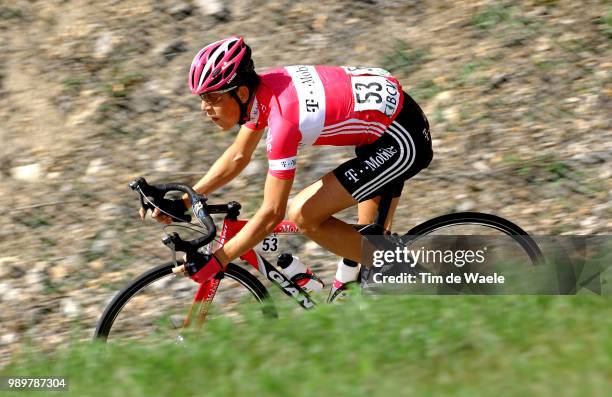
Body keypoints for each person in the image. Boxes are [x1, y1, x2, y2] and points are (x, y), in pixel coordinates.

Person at [142, 36, 433, 301]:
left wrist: (220, 259)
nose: (205, 108)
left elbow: (271, 213)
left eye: (213, 98)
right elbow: (237, 157)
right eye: (202, 99)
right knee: (364, 255)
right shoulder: (263, 90)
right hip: (382, 130)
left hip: (400, 138)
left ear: (241, 93)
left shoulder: (283, 119)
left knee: (304, 214)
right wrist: (184, 201)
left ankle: (422, 276)